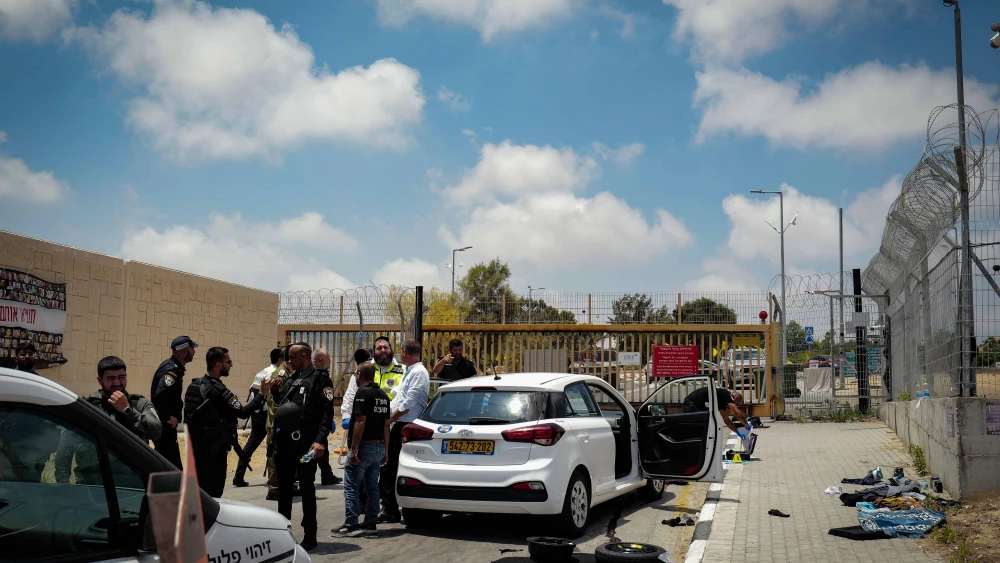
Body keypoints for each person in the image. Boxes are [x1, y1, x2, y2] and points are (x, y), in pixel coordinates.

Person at [55, 356, 162, 484]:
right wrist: (63, 485)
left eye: (121, 377)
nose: (117, 383)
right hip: (95, 486)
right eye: (111, 378)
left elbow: (156, 432)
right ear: (100, 380)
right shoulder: (86, 408)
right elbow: (64, 451)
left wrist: (128, 410)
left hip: (133, 486)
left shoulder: (140, 404)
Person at [271, 342, 335, 552]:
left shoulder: (320, 379)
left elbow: (327, 413)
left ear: (305, 356)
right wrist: (274, 392)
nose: (289, 361)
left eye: (293, 357)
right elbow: (284, 407)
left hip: (306, 444)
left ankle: (310, 535)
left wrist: (319, 439)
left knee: (307, 489)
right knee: (284, 492)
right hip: (285, 444)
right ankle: (283, 534)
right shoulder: (291, 378)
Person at [183, 347, 270, 498]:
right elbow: (243, 413)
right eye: (228, 362)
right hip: (214, 453)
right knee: (214, 495)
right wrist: (262, 393)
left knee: (198, 494)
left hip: (196, 449)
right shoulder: (219, 391)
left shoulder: (193, 386)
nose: (231, 365)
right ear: (218, 365)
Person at [334, 362, 390, 537]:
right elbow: (386, 425)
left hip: (364, 446)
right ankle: (370, 524)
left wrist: (355, 448)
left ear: (359, 375)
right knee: (372, 486)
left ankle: (351, 524)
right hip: (379, 446)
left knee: (351, 485)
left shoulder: (362, 393)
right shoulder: (383, 395)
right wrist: (386, 449)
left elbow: (360, 421)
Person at [379, 338, 430, 524]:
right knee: (387, 467)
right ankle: (388, 505)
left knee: (392, 467)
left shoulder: (419, 373)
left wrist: (390, 420)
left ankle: (391, 508)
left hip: (406, 426)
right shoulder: (409, 371)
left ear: (405, 352)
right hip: (397, 423)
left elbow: (408, 403)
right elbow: (398, 398)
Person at [234, 347, 281, 487]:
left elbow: (252, 390)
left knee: (251, 444)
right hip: (267, 414)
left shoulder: (262, 372)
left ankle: (238, 475)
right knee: (274, 445)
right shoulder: (275, 373)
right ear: (280, 360)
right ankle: (276, 477)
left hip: (256, 412)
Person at [150, 335, 198, 469]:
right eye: (192, 348)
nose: (194, 351)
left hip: (164, 426)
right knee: (173, 466)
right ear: (183, 352)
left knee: (165, 461)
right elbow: (159, 394)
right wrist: (167, 417)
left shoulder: (173, 366)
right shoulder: (172, 370)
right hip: (164, 427)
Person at [264, 346, 295, 501]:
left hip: (282, 421)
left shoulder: (288, 372)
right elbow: (277, 401)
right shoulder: (282, 374)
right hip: (276, 421)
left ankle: (284, 485)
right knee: (274, 455)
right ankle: (274, 489)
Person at [312, 347, 343, 486]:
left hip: (308, 422)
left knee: (321, 449)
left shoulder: (307, 376)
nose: (330, 361)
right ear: (321, 360)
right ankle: (326, 476)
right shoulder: (324, 379)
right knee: (320, 447)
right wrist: (328, 422)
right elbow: (327, 405)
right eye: (328, 358)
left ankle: (327, 475)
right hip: (319, 422)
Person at [682, 386, 750, 435]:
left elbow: (726, 419)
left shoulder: (720, 399)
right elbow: (737, 412)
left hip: (691, 405)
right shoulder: (727, 395)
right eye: (737, 403)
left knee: (701, 429)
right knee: (698, 430)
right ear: (736, 398)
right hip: (691, 405)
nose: (736, 405)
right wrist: (747, 425)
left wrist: (737, 431)